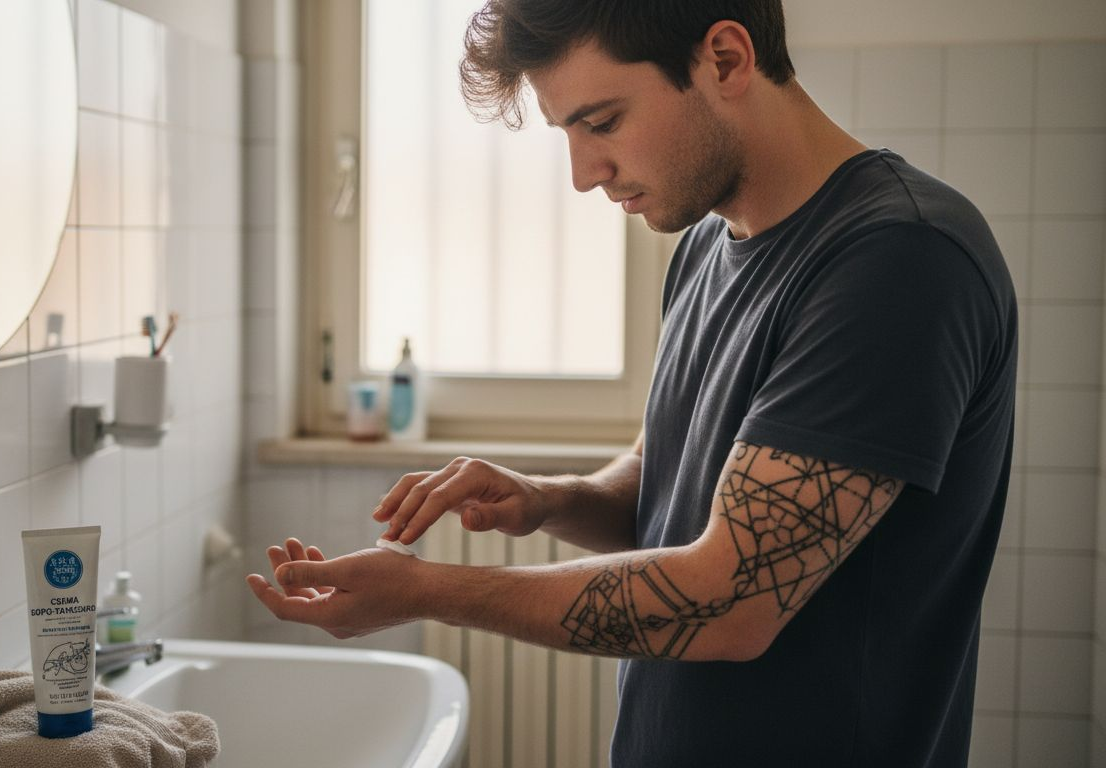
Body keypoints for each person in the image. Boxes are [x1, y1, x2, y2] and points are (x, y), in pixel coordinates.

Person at [246, 1, 1017, 765]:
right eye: (568, 133)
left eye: (603, 122)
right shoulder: (706, 245)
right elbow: (664, 485)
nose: (584, 175)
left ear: (724, 59)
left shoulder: (901, 259)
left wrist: (427, 592)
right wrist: (548, 499)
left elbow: (733, 601)